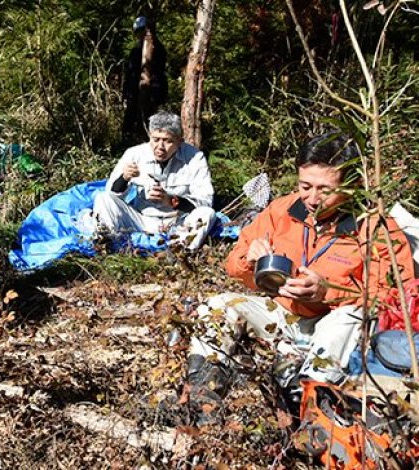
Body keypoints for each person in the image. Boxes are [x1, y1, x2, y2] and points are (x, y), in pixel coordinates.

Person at [185, 133, 416, 424]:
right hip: (281, 313)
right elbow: (233, 264)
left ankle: (308, 412)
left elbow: (398, 299)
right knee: (217, 306)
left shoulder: (376, 227)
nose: (312, 198)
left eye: (325, 189)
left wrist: (329, 292)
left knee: (348, 318)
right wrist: (250, 259)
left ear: (353, 184)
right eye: (305, 186)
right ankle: (202, 401)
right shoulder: (283, 210)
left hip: (334, 328)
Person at [94, 111, 215, 252]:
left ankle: (180, 252)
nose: (160, 147)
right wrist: (124, 178)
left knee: (207, 213)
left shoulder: (195, 158)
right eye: (156, 139)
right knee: (102, 198)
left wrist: (172, 201)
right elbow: (113, 194)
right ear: (149, 137)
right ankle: (109, 246)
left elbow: (205, 201)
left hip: (178, 222)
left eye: (168, 141)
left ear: (180, 141)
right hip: (141, 219)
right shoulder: (134, 154)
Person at [122, 16, 168, 142]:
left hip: (151, 91)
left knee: (148, 120)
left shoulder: (153, 49)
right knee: (133, 119)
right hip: (138, 92)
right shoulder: (140, 49)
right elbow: (130, 73)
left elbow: (158, 72)